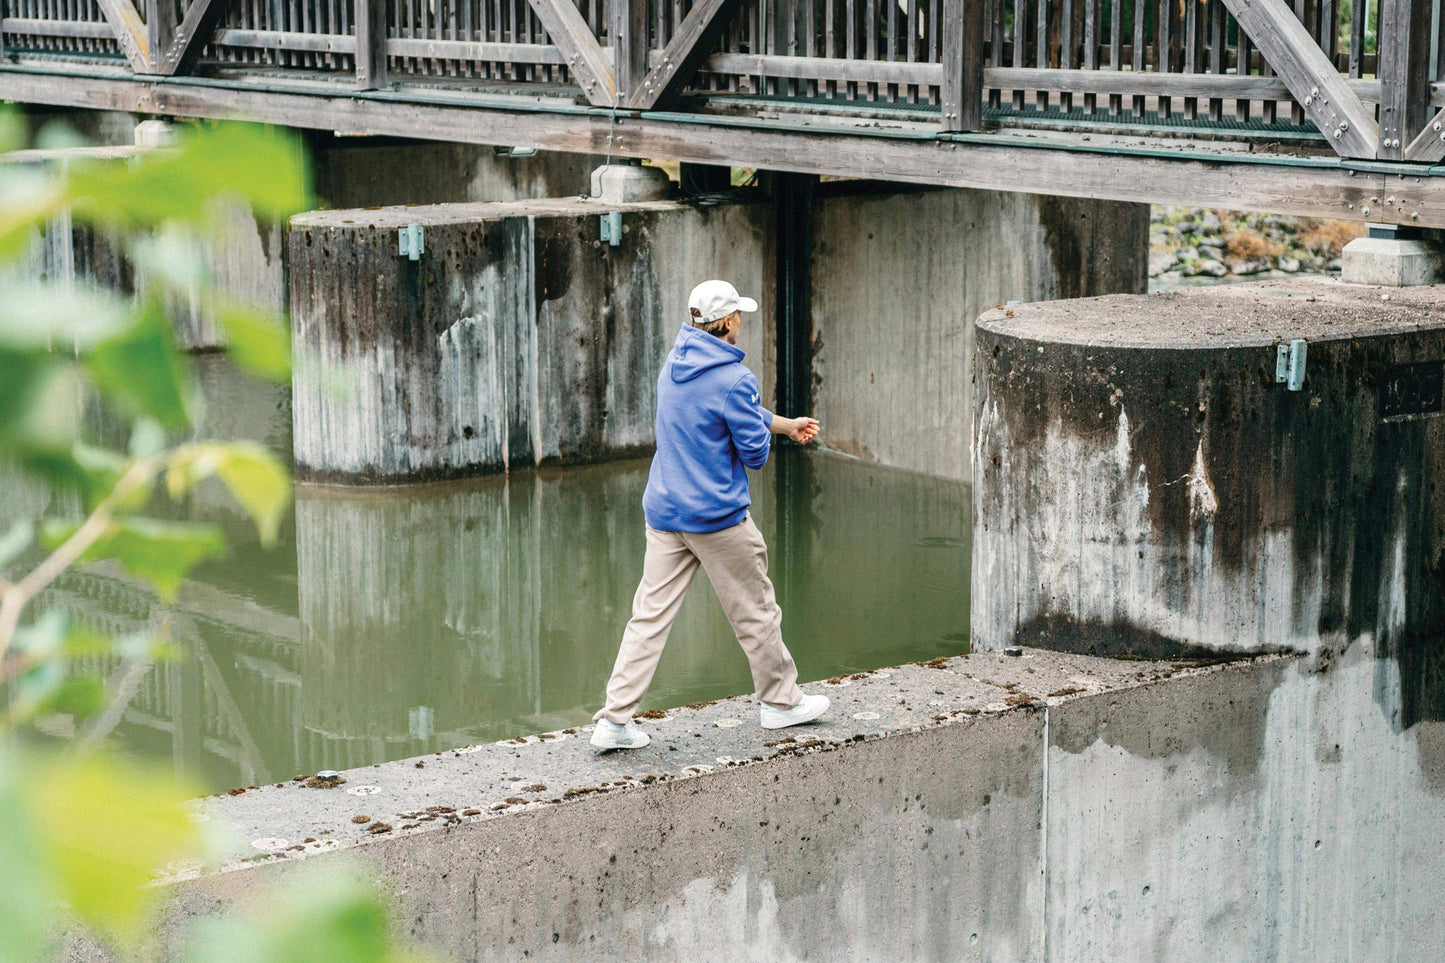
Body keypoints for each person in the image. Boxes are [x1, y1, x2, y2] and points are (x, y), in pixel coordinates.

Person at [590, 279, 830, 750]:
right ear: (728, 322)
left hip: (665, 512)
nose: (742, 320)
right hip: (716, 519)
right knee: (756, 611)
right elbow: (753, 453)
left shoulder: (675, 364)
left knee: (648, 618)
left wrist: (784, 424)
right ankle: (780, 704)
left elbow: (722, 409)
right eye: (739, 314)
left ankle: (613, 722)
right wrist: (765, 437)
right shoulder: (736, 379)